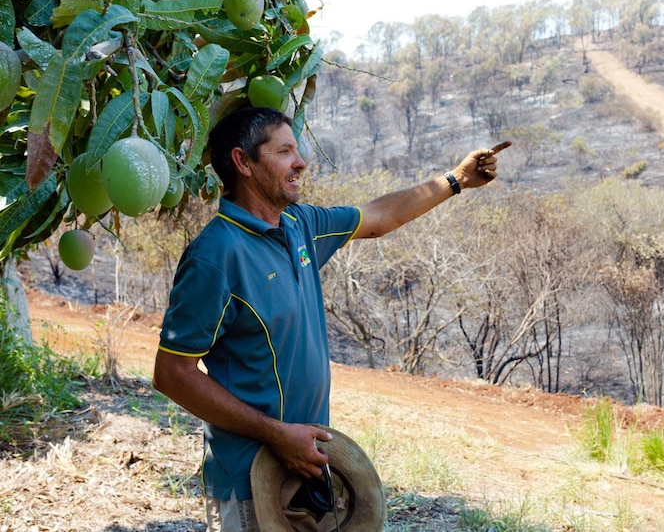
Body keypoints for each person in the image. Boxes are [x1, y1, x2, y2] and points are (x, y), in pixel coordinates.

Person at [152, 105, 509, 531]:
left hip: (305, 469)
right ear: (243, 161)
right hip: (249, 480)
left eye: (297, 150)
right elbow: (172, 373)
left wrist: (456, 180)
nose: (300, 162)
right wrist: (275, 434)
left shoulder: (300, 225)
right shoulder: (215, 256)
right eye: (284, 151)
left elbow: (379, 217)